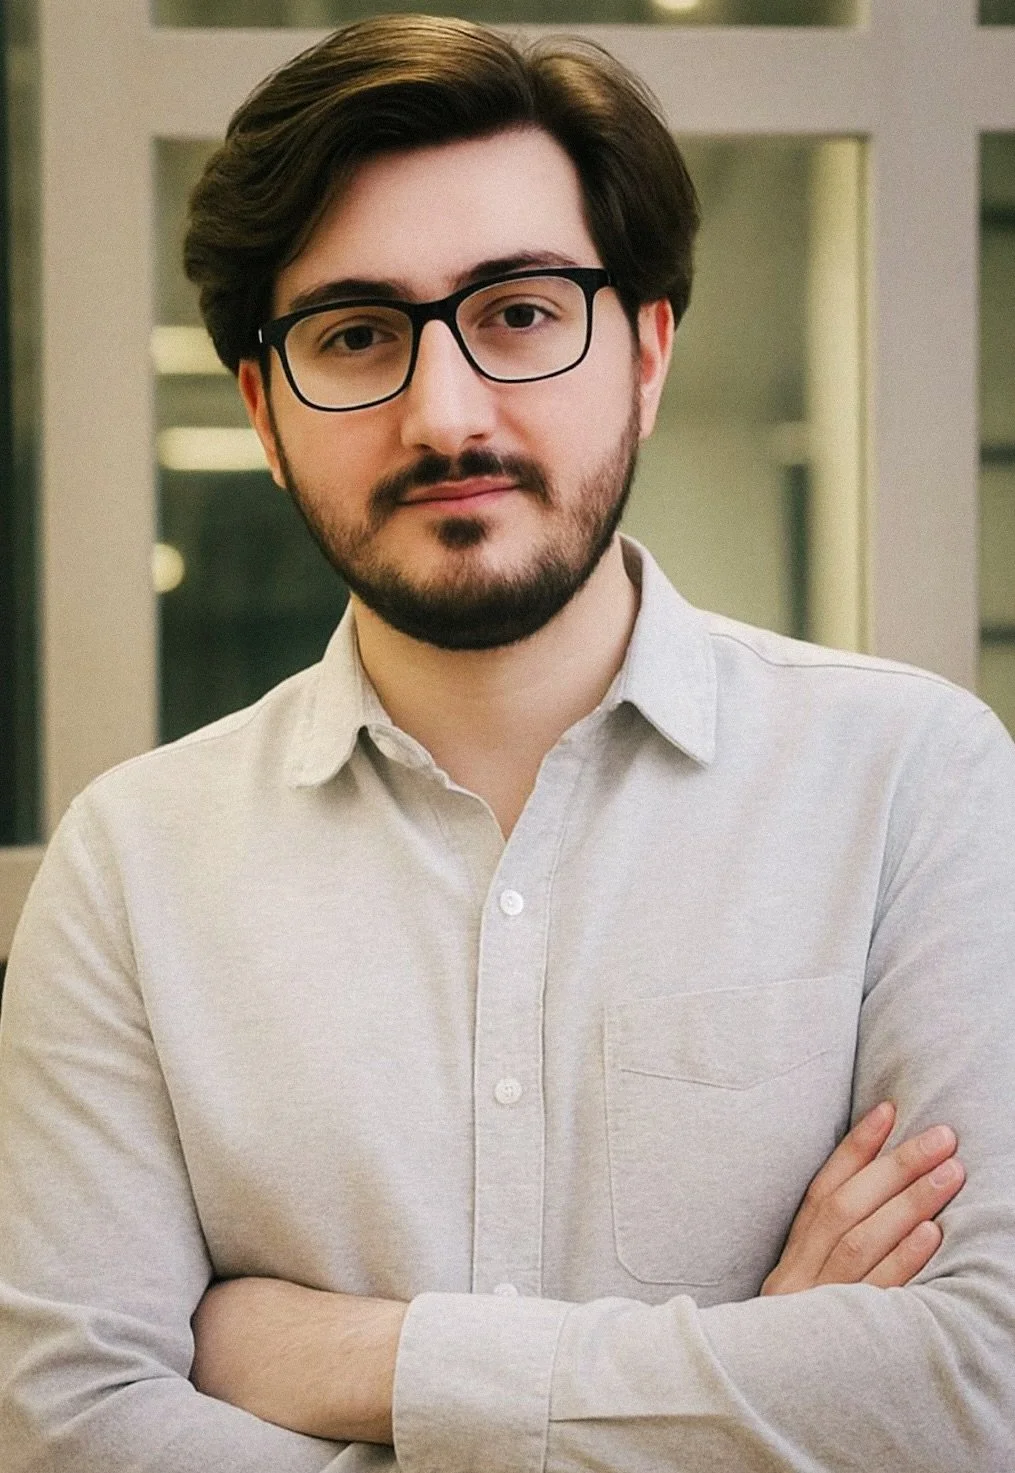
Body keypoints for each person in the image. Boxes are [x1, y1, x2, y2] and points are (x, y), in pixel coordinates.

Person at [1, 14, 1014, 1471]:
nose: (446, 410)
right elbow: (73, 1429)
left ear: (647, 353)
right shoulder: (132, 866)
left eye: (520, 314)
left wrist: (363, 1360)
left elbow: (971, 1390)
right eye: (354, 335)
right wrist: (757, 1381)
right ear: (264, 414)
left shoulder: (912, 783)